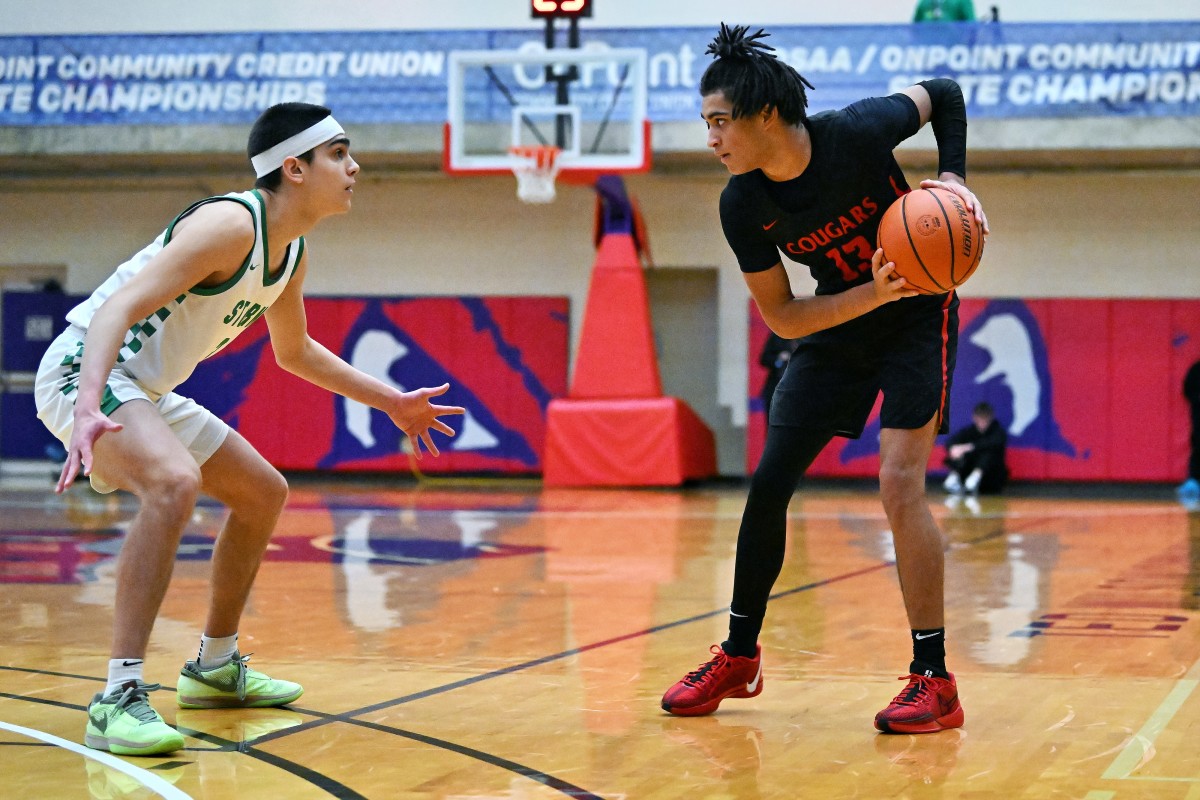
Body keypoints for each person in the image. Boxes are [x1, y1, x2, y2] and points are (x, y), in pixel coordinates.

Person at [33, 102, 464, 756]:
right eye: (339, 154)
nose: (355, 167)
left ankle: (213, 666)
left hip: (141, 387)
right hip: (82, 369)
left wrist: (391, 402)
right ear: (294, 167)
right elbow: (117, 306)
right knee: (175, 484)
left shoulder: (288, 254)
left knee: (263, 492)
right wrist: (89, 404)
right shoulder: (229, 224)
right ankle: (118, 694)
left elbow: (297, 353)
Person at [661, 24, 988, 735]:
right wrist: (871, 293)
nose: (711, 138)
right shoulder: (742, 204)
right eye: (706, 124)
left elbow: (945, 93)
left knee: (899, 482)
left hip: (918, 318)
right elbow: (782, 316)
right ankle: (739, 657)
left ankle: (933, 679)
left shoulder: (856, 131)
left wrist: (954, 178)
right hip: (845, 318)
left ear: (766, 115)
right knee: (770, 481)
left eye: (720, 122)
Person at [942, 401, 1008, 494]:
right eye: (980, 417)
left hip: (991, 479)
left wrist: (968, 447)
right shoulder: (969, 432)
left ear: (990, 417)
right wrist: (954, 449)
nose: (982, 421)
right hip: (966, 475)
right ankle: (954, 478)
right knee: (958, 451)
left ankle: (975, 478)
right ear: (974, 417)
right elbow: (950, 442)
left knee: (988, 453)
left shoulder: (998, 432)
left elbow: (991, 443)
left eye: (985, 417)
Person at [758, 331, 798, 421]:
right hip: (775, 389)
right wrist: (779, 359)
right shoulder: (777, 336)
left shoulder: (808, 337)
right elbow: (764, 359)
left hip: (798, 391)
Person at [1180, 359, 1200, 502]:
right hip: (1199, 415)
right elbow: (1187, 389)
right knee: (1198, 447)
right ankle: (1194, 481)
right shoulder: (1196, 369)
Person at [912, 0, 977, 22]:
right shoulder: (924, 3)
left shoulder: (961, 1)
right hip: (928, 48)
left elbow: (972, 28)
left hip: (954, 47)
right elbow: (914, 29)